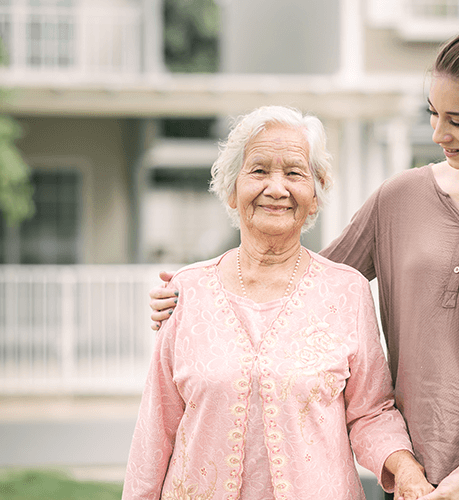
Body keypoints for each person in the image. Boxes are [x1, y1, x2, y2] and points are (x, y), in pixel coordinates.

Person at [149, 2, 459, 499]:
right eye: (433, 114)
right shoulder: (399, 198)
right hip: (416, 478)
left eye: (458, 121)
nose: (438, 135)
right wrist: (202, 295)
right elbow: (310, 288)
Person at [123, 105, 432, 500]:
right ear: (232, 190)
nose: (276, 187)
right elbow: (156, 428)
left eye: (294, 172)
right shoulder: (185, 291)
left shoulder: (347, 291)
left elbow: (370, 412)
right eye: (258, 170)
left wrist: (405, 469)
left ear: (315, 194)